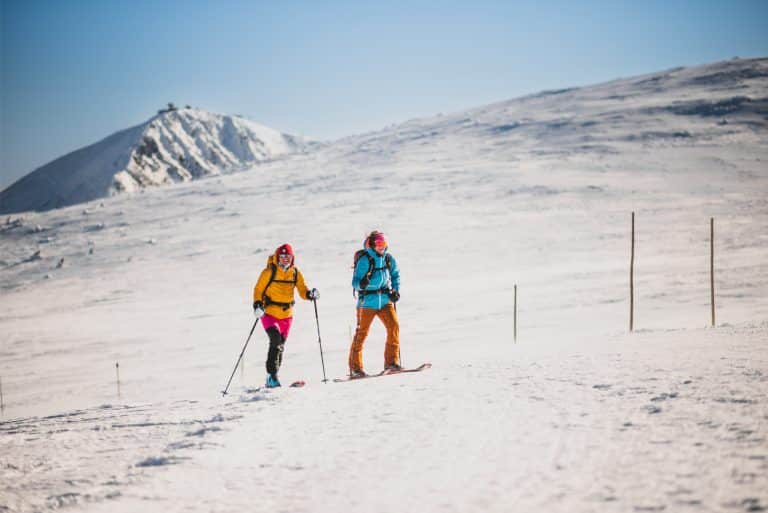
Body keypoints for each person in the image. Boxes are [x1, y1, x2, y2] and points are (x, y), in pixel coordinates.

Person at [252, 243, 318, 388]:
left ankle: (273, 376)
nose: (285, 259)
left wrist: (309, 294)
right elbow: (258, 289)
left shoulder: (295, 273)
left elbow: (302, 290)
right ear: (277, 257)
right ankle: (271, 376)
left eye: (288, 256)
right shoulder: (268, 272)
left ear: (292, 258)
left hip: (286, 315)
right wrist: (257, 304)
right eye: (282, 257)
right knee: (275, 340)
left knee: (280, 346)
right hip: (268, 312)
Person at [348, 231, 401, 377]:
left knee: (394, 327)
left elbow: (395, 275)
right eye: (378, 244)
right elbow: (355, 282)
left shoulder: (388, 259)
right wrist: (362, 284)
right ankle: (355, 368)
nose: (381, 247)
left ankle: (391, 363)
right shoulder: (365, 260)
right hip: (367, 303)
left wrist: (395, 291)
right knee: (362, 334)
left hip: (385, 300)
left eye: (383, 244)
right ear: (372, 245)